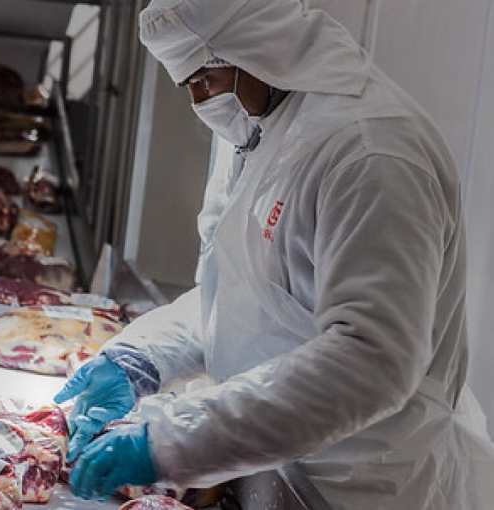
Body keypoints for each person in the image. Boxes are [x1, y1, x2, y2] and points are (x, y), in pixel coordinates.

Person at [54, 0, 494, 509]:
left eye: (203, 78)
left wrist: (170, 443)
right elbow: (248, 298)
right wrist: (144, 355)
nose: (197, 99)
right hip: (282, 464)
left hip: (363, 488)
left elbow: (372, 362)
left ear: (253, 50)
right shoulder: (271, 130)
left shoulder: (372, 157)